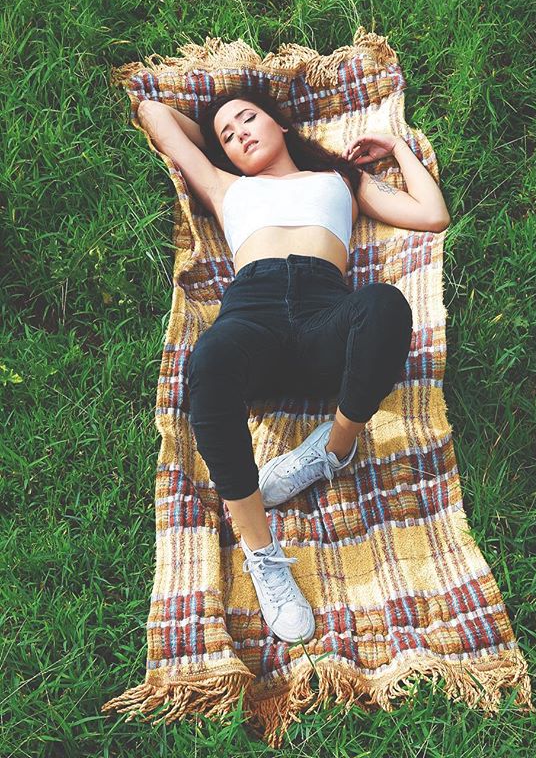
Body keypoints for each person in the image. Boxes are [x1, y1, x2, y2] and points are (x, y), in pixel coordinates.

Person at [137, 89, 450, 645]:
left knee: (384, 305)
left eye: (248, 119)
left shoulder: (340, 181)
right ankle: (264, 557)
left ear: (280, 123)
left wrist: (399, 146)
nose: (240, 135)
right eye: (228, 136)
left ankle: (334, 448)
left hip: (322, 317)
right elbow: (153, 113)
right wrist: (212, 135)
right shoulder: (223, 184)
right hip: (251, 315)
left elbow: (432, 215)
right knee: (206, 363)